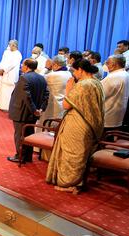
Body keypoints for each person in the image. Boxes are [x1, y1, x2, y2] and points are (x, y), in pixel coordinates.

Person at [46, 59, 104, 194]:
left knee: (72, 153)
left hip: (77, 123)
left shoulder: (83, 85)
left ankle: (69, 183)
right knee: (81, 153)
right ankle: (78, 182)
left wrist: (68, 89)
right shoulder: (97, 82)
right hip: (89, 124)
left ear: (81, 70)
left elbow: (66, 105)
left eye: (74, 71)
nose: (73, 74)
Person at [7, 59, 49, 163]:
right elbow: (46, 95)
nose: (21, 66)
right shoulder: (42, 78)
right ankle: (27, 156)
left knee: (20, 135)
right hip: (33, 112)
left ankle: (20, 156)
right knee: (29, 133)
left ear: (26, 66)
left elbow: (27, 97)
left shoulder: (24, 78)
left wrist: (34, 110)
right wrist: (41, 109)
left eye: (23, 64)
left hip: (22, 111)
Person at [39, 55, 72, 124]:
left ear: (56, 65)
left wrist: (46, 68)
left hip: (52, 104)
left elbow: (39, 78)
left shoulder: (53, 75)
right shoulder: (69, 74)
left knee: (47, 125)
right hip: (63, 104)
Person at [101, 55, 129, 130]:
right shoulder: (126, 74)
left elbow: (100, 95)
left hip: (108, 113)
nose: (106, 65)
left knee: (105, 137)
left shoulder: (113, 77)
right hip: (117, 112)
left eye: (107, 63)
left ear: (113, 64)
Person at [0, 40, 22, 110]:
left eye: (10, 45)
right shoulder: (6, 52)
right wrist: (0, 69)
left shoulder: (18, 54)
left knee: (9, 91)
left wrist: (4, 69)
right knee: (2, 90)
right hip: (3, 74)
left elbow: (13, 65)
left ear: (14, 46)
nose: (9, 46)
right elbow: (2, 61)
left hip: (11, 74)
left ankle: (7, 107)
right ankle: (0, 105)